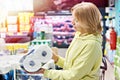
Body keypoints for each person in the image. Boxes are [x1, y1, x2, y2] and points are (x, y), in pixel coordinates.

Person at [28, 2, 103, 80]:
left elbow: (74, 75)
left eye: (77, 20)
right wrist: (56, 59)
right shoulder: (79, 36)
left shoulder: (91, 45)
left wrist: (45, 72)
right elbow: (71, 66)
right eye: (73, 19)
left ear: (88, 22)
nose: (72, 23)